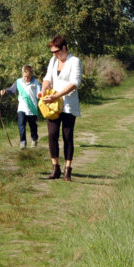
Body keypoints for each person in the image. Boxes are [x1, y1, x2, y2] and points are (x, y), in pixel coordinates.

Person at [41, 34, 82, 181]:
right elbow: (47, 78)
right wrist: (43, 90)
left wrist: (57, 95)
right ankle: (55, 168)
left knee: (67, 136)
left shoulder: (74, 61)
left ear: (64, 48)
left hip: (68, 104)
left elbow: (74, 83)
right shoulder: (53, 61)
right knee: (52, 135)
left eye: (56, 51)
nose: (54, 54)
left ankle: (68, 169)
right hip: (53, 105)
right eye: (52, 52)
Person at [1, 64, 41, 149]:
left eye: (28, 77)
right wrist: (5, 91)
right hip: (22, 108)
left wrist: (41, 95)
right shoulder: (18, 82)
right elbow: (12, 90)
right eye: (25, 76)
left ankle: (34, 139)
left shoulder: (36, 83)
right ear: (22, 74)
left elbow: (39, 93)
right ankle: (23, 141)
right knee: (21, 125)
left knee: (32, 125)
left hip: (32, 108)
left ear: (32, 75)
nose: (26, 79)